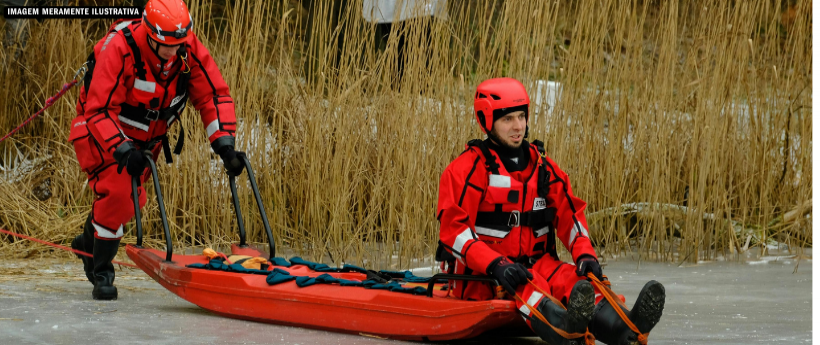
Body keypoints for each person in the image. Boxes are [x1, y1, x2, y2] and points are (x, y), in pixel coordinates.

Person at [436, 77, 665, 344]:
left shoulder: (543, 167)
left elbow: (570, 215)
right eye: (507, 119)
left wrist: (585, 254)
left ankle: (625, 328)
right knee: (532, 285)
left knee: (575, 280)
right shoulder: (468, 169)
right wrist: (494, 264)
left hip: (539, 262)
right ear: (487, 120)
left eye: (521, 116)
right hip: (487, 275)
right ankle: (566, 330)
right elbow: (453, 232)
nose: (518, 126)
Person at [68, 0, 243, 300]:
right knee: (121, 196)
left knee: (129, 200)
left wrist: (225, 145)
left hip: (147, 144)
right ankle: (101, 272)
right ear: (149, 34)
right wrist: (122, 150)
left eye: (179, 45)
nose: (174, 52)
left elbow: (214, 96)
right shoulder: (121, 48)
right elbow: (98, 111)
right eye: (166, 46)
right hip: (100, 132)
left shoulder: (186, 49)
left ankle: (87, 243)